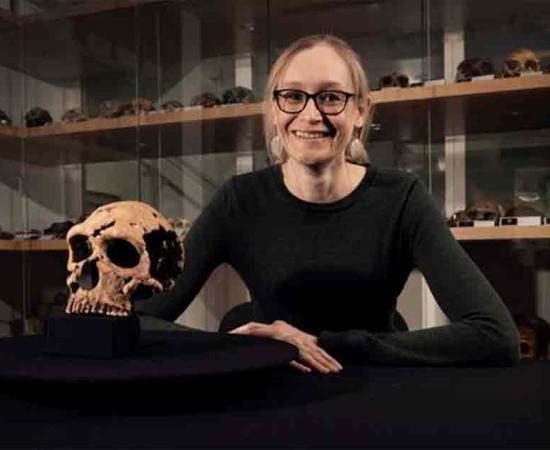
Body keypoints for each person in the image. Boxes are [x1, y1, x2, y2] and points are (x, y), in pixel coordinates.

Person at [135, 34, 520, 373]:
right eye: (293, 96)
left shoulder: (402, 199)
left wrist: (327, 345)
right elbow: (134, 321)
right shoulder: (239, 200)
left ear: (360, 111)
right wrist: (232, 346)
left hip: (377, 383)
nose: (310, 114)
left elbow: (494, 335)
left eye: (331, 97)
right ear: (274, 108)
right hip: (275, 389)